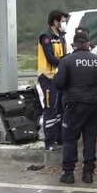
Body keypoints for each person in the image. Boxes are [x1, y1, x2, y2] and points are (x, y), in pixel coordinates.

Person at [53, 32, 97, 184]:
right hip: (94, 105)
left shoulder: (67, 61)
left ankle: (68, 173)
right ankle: (88, 173)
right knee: (90, 138)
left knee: (70, 139)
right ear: (88, 43)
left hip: (74, 105)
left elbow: (58, 82)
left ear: (75, 44)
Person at [37, 9, 69, 151]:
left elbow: (64, 55)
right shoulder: (46, 37)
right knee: (51, 109)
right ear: (55, 22)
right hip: (48, 78)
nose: (64, 23)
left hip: (59, 76)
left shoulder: (62, 37)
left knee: (61, 109)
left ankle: (59, 138)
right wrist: (64, 63)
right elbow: (50, 57)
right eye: (62, 21)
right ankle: (49, 142)